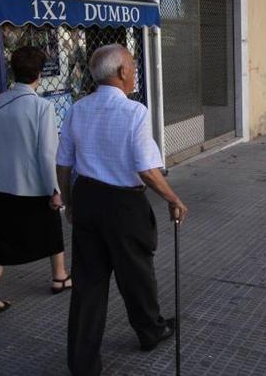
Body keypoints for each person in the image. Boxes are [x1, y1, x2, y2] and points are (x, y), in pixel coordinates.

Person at [57, 43, 189, 376]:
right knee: (136, 275)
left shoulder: (77, 108)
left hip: (87, 199)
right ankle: (150, 331)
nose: (134, 72)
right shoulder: (134, 112)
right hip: (123, 205)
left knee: (88, 284)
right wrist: (173, 198)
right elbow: (146, 169)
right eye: (131, 66)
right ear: (122, 73)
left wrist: (71, 202)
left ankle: (82, 365)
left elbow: (63, 162)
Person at [0, 46, 71, 319]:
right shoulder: (42, 107)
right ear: (39, 75)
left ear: (13, 72)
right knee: (51, 229)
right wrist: (55, 189)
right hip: (33, 185)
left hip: (2, 183)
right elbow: (46, 152)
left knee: (0, 238)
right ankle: (59, 276)